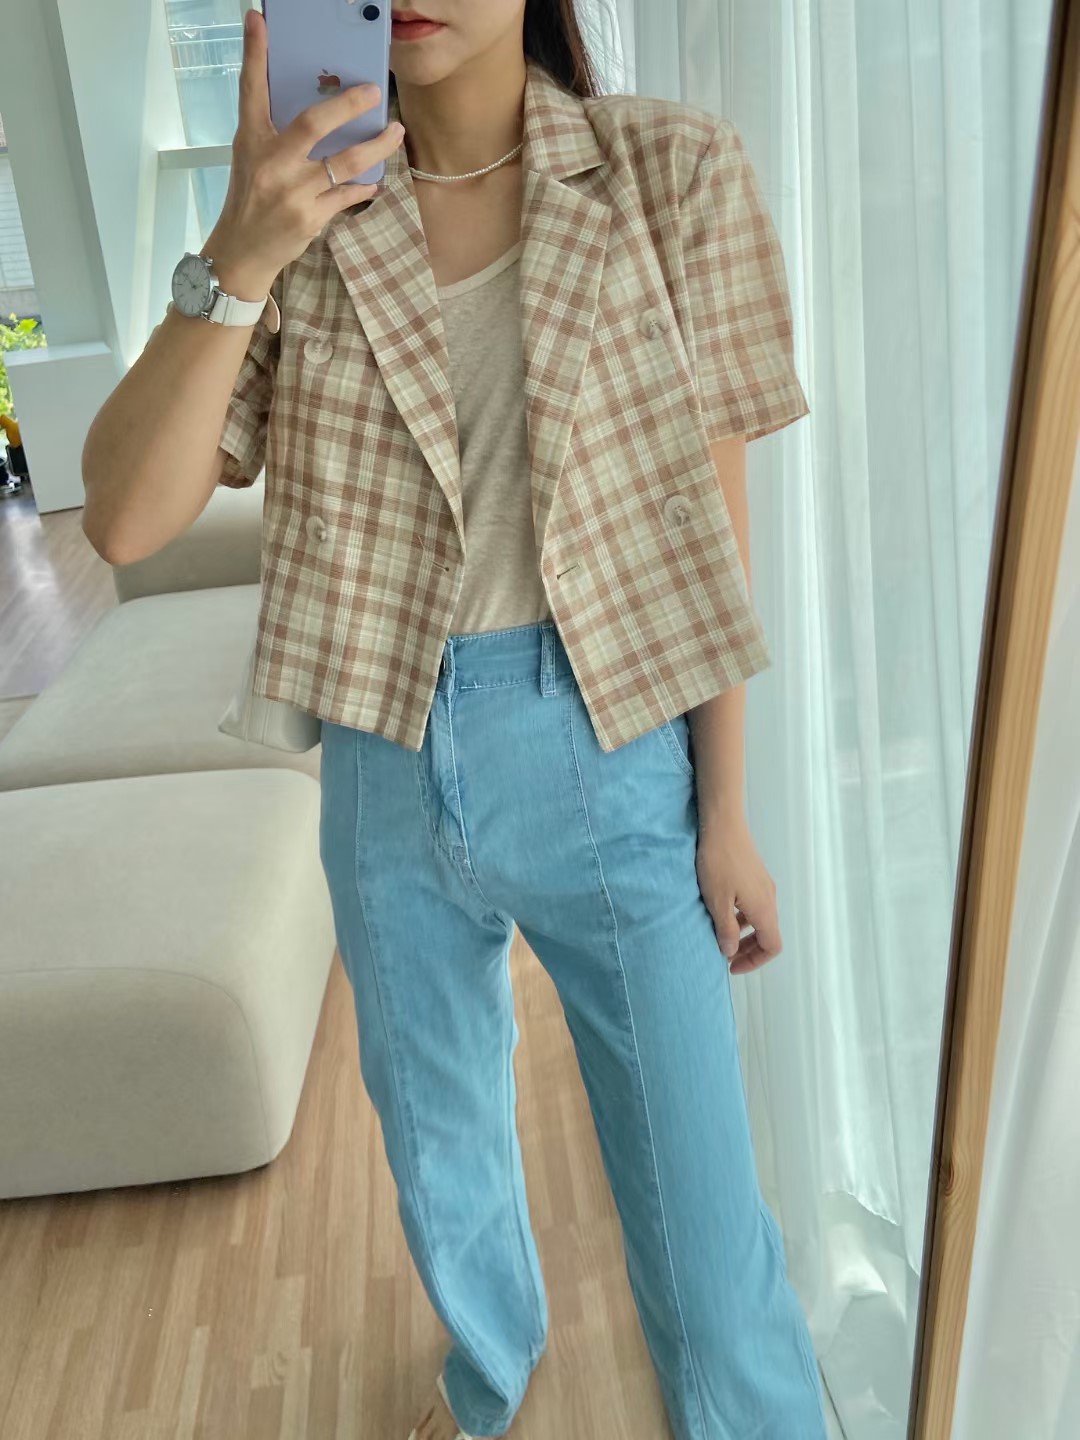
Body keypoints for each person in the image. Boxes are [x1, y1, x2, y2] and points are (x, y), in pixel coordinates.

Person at [83, 5, 823, 1438]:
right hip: (383, 756)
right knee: (440, 1154)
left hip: (610, 745)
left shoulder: (671, 170)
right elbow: (121, 517)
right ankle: (493, 1379)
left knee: (704, 1225)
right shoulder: (301, 216)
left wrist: (726, 806)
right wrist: (241, 249)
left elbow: (708, 526)